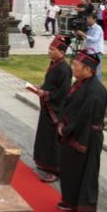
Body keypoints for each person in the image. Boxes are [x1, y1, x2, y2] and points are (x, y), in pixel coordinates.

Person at [57, 51, 107, 212]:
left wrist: (66, 130)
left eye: (76, 66)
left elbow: (84, 119)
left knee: (87, 174)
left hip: (87, 137)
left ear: (87, 69)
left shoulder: (96, 91)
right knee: (72, 169)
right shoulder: (82, 83)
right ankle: (71, 201)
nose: (73, 68)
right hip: (76, 132)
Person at [27, 35, 72, 182]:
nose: (49, 52)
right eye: (49, 49)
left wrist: (45, 93)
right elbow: (50, 83)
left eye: (52, 50)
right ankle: (44, 163)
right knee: (44, 138)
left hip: (55, 109)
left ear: (61, 52)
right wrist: (40, 87)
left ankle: (55, 170)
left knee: (53, 141)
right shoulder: (54, 64)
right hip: (47, 107)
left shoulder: (64, 69)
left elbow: (62, 92)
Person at [76, 13, 104, 80]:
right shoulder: (88, 28)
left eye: (89, 18)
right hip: (89, 52)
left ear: (94, 19)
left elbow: (94, 39)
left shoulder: (98, 28)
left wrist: (83, 34)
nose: (87, 20)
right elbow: (86, 38)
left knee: (97, 71)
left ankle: (99, 87)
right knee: (88, 70)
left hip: (96, 52)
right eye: (87, 18)